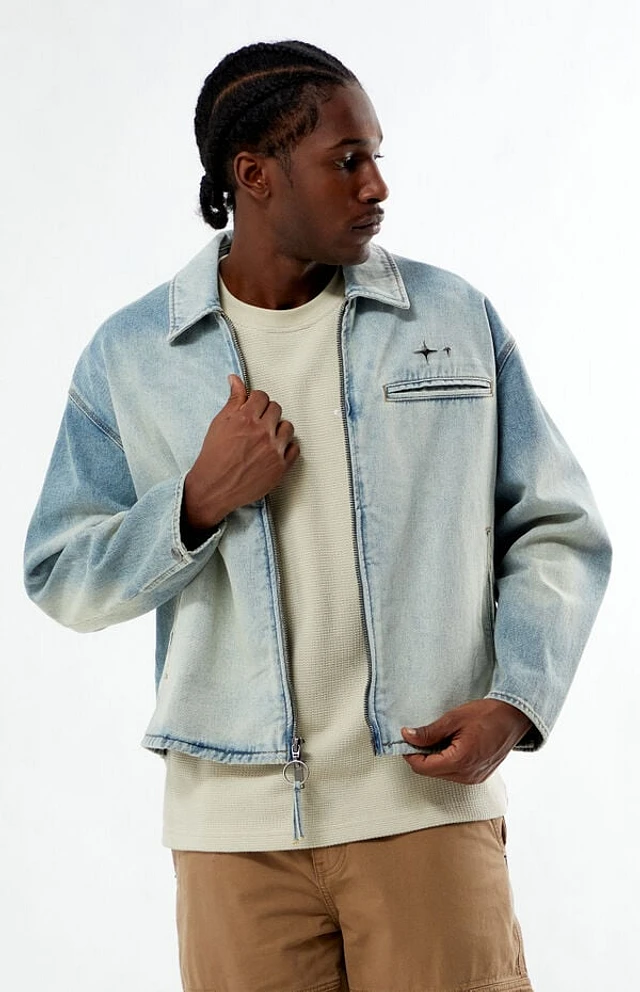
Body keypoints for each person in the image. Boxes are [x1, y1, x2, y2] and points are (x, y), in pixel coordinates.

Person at [24, 39, 611, 992]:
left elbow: (557, 525)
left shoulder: (450, 320)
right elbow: (60, 575)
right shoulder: (133, 354)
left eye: (376, 156)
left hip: (422, 806)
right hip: (234, 837)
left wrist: (518, 697)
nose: (377, 185)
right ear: (254, 175)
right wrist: (196, 501)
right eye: (347, 160)